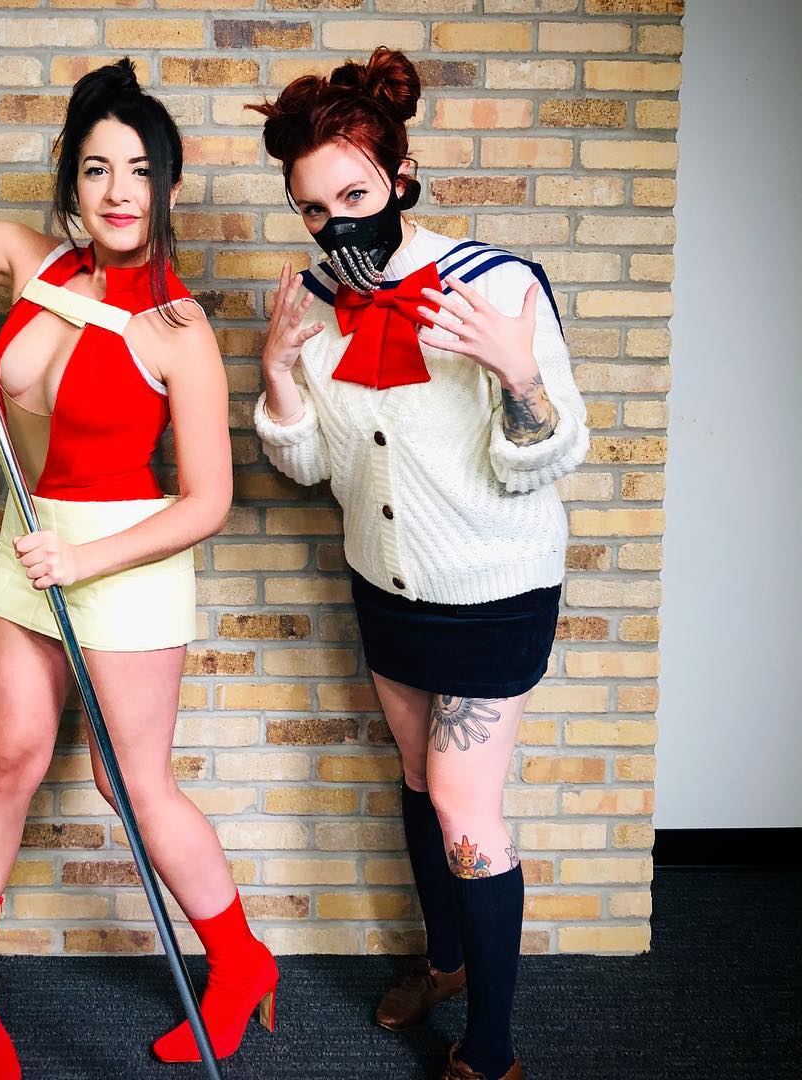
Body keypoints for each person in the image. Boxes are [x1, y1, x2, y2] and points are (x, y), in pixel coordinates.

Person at [0, 34, 277, 1079]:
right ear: (71, 182)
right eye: (96, 168)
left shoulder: (179, 328)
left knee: (132, 787)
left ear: (168, 187)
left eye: (140, 170)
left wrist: (86, 563)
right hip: (28, 544)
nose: (119, 191)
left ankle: (241, 963)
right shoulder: (27, 260)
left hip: (123, 562)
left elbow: (209, 501)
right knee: (7, 762)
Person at [249, 47, 589, 1080]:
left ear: (400, 177)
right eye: (314, 208)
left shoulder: (496, 285)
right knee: (416, 778)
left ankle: (492, 1049)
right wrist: (278, 373)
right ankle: (444, 964)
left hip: (493, 593)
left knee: (462, 804)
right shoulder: (315, 303)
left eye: (354, 196)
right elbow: (310, 465)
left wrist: (519, 373)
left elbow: (544, 459)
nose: (336, 224)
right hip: (386, 583)